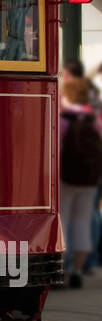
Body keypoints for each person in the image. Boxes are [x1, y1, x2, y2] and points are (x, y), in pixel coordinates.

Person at [59, 76, 102, 288]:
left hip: (66, 178)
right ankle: (77, 269)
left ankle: (62, 268)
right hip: (89, 180)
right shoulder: (94, 120)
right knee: (83, 222)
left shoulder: (63, 119)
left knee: (64, 221)